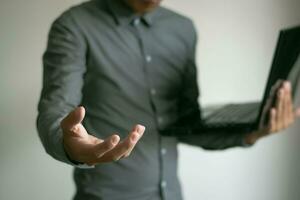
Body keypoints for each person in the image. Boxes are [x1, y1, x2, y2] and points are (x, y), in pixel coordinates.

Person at [36, 0, 300, 199]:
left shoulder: (182, 29)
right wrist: (70, 145)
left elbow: (186, 124)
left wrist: (254, 131)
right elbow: (55, 109)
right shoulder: (74, 25)